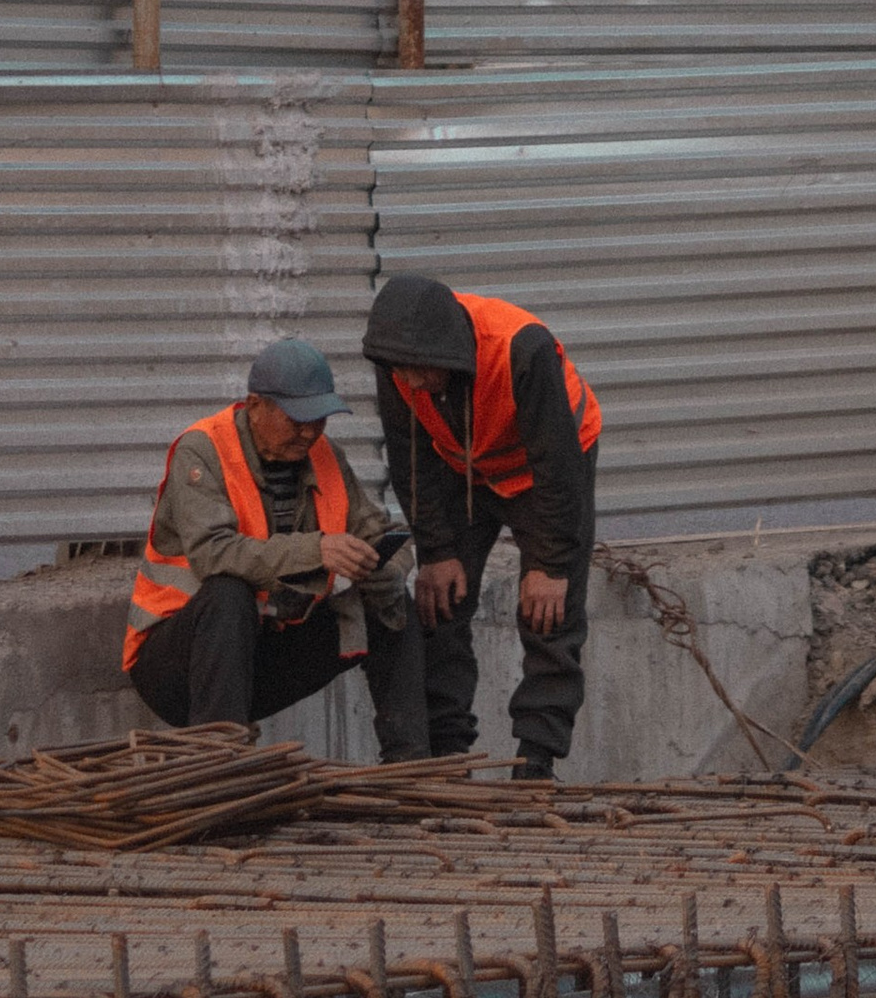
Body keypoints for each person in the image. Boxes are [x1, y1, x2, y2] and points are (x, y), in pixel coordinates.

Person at [122, 336, 430, 758]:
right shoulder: (203, 449)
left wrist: (388, 570)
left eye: (319, 420)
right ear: (255, 406)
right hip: (179, 666)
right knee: (228, 593)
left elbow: (380, 530)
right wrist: (316, 551)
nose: (309, 432)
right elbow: (213, 553)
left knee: (391, 602)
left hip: (260, 653)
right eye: (296, 419)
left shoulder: (324, 453)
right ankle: (219, 762)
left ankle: (410, 763)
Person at [361, 275, 601, 782]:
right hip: (463, 466)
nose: (413, 382)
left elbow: (558, 467)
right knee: (439, 602)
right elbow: (409, 459)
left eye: (421, 370)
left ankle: (535, 762)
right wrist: (436, 551)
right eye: (402, 371)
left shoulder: (522, 350)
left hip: (548, 470)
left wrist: (550, 564)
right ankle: (450, 757)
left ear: (448, 351)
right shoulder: (397, 363)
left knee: (548, 613)